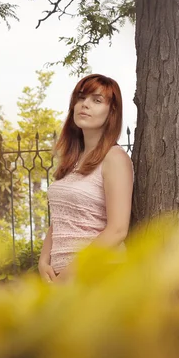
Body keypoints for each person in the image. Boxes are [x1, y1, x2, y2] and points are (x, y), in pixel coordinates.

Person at [38, 74, 133, 283]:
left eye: (96, 100)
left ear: (112, 112)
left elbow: (117, 230)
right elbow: (61, 220)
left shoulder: (115, 158)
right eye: (81, 98)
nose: (85, 105)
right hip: (64, 279)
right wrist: (44, 261)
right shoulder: (72, 161)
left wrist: (69, 274)